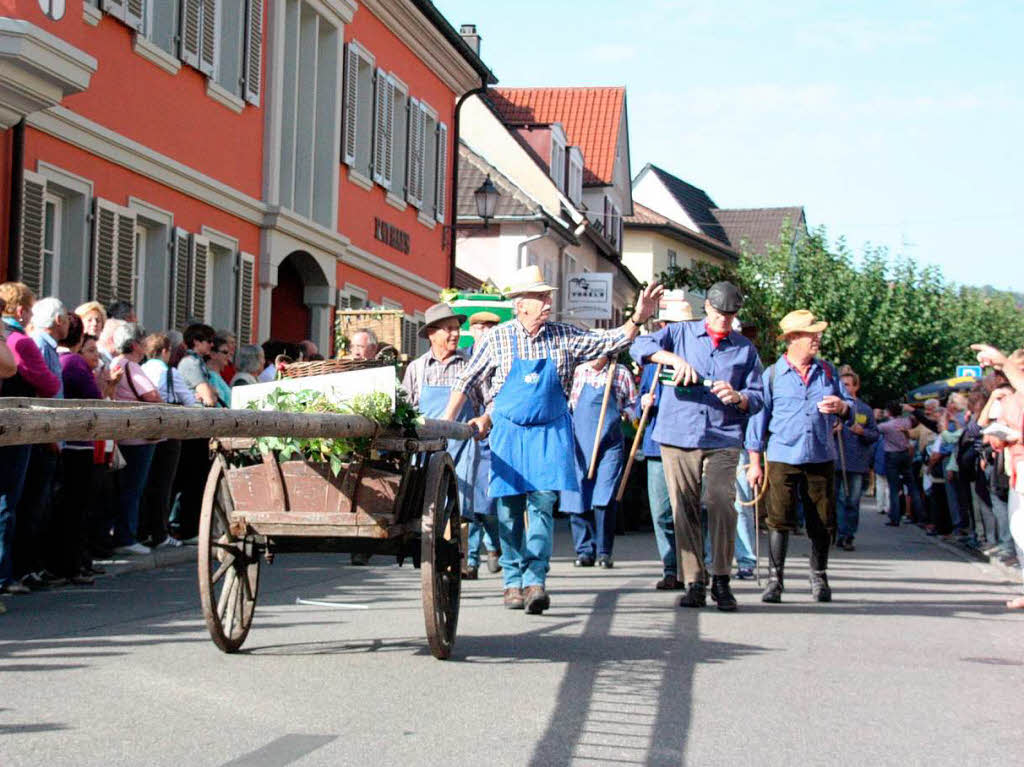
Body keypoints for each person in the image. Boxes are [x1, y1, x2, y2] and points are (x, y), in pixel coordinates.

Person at [443, 265, 663, 614]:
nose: (548, 301)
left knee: (542, 506)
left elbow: (609, 341)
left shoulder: (563, 335)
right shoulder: (497, 339)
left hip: (549, 433)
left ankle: (535, 581)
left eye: (547, 296)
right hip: (509, 434)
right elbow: (466, 380)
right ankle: (512, 580)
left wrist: (638, 317)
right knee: (510, 512)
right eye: (540, 296)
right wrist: (444, 423)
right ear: (520, 304)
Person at [630, 282, 764, 611]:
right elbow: (638, 347)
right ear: (707, 308)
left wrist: (739, 397)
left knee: (720, 500)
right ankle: (694, 581)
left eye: (730, 316)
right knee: (683, 507)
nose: (724, 321)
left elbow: (760, 397)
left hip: (723, 434)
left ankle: (721, 577)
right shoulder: (681, 334)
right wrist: (672, 360)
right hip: (678, 433)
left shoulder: (744, 349)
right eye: (720, 314)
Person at [747, 309, 855, 604]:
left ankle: (819, 577)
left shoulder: (828, 372)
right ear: (793, 339)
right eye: (811, 333)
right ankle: (775, 581)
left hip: (820, 453)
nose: (817, 338)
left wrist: (842, 408)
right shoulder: (771, 376)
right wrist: (754, 463)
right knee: (778, 520)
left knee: (822, 521)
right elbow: (757, 420)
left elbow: (850, 406)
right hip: (782, 455)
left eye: (817, 333)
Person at [401, 303, 487, 578]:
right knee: (427, 500)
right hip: (426, 446)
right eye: (448, 329)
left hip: (461, 445)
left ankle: (459, 561)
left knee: (460, 503)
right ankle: (432, 552)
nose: (455, 334)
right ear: (432, 334)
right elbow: (407, 407)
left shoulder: (470, 366)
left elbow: (487, 402)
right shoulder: (416, 368)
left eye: (457, 329)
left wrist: (484, 420)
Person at [1, 283, 60, 597]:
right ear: (21, 310)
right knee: (11, 502)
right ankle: (6, 573)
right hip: (17, 425)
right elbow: (48, 383)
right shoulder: (19, 341)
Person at [633, 303, 694, 590]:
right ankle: (670, 567)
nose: (668, 329)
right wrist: (642, 403)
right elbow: (641, 399)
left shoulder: (695, 357)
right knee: (661, 511)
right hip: (656, 444)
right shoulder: (653, 362)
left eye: (675, 325)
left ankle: (692, 569)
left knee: (686, 509)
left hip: (686, 444)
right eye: (666, 324)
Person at [561, 354, 637, 568]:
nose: (595, 356)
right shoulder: (578, 372)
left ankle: (604, 551)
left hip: (609, 444)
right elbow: (567, 404)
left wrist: (628, 414)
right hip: (579, 442)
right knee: (576, 496)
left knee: (604, 497)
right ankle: (584, 550)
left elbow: (633, 404)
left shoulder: (620, 373)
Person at [57, 315, 108, 583]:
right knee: (77, 508)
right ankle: (74, 565)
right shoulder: (74, 362)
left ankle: (74, 562)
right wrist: (101, 381)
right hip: (78, 444)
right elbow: (96, 398)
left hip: (67, 442)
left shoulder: (60, 359)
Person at [111, 323, 163, 555]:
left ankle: (123, 533)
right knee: (133, 488)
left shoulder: (115, 364)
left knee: (123, 489)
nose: (144, 346)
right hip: (139, 439)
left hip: (122, 436)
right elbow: (152, 396)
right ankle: (127, 537)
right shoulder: (132, 366)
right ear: (134, 345)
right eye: (142, 342)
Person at [139, 333, 187, 549]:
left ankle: (143, 531)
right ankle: (160, 532)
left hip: (144, 435)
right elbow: (189, 400)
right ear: (166, 351)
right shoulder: (170, 372)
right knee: (163, 485)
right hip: (169, 434)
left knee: (147, 484)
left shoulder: (140, 369)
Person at [464, 311, 502, 575]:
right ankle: (473, 559)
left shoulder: (501, 358)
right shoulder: (463, 358)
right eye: (480, 327)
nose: (485, 331)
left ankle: (493, 546)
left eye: (490, 327)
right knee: (469, 499)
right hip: (465, 433)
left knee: (485, 502)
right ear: (473, 330)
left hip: (491, 434)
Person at [173, 324, 218, 541]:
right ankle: (187, 528)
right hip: (194, 430)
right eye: (208, 340)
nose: (211, 344)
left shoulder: (197, 362)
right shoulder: (191, 363)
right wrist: (208, 395)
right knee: (193, 481)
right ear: (196, 341)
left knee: (196, 480)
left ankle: (189, 526)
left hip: (199, 427)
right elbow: (209, 397)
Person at [834, 366, 878, 551]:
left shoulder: (865, 410)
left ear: (855, 387)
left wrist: (863, 432)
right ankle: (836, 532)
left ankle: (848, 535)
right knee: (836, 500)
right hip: (835, 461)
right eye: (842, 385)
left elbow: (875, 434)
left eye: (848, 385)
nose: (845, 388)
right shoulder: (833, 407)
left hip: (857, 463)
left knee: (852, 501)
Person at [877, 403, 924, 527]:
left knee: (894, 488)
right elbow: (914, 422)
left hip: (892, 455)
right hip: (905, 454)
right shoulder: (907, 422)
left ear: (889, 412)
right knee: (912, 485)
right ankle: (920, 515)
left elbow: (875, 430)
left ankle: (895, 517)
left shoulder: (885, 426)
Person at [206, 336, 233, 407]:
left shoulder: (216, 376)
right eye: (225, 352)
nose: (229, 355)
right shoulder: (211, 376)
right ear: (213, 354)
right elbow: (217, 405)